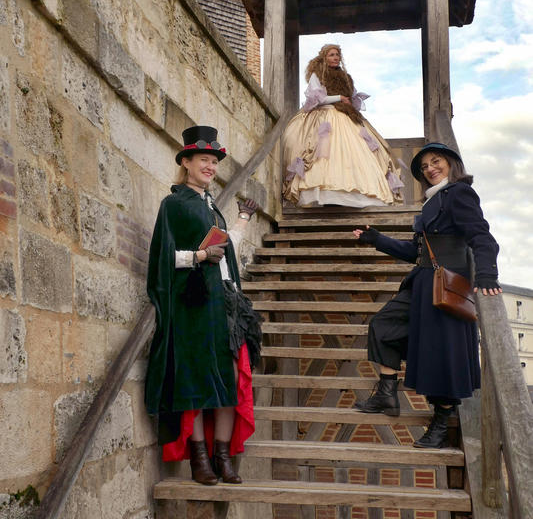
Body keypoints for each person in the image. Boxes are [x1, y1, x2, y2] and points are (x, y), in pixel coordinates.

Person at [352, 142, 501, 448]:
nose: (430, 169)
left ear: (451, 164)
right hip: (422, 282)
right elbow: (415, 252)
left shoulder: (459, 193)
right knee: (383, 325)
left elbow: (482, 237)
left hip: (447, 285)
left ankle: (441, 423)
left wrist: (486, 275)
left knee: (442, 355)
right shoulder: (431, 202)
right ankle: (387, 393)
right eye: (424, 167)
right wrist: (376, 239)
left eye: (436, 162)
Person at [144, 125, 261, 485]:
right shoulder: (175, 204)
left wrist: (240, 220)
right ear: (187, 162)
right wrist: (198, 254)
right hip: (194, 306)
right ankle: (199, 460)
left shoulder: (212, 206)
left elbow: (226, 256)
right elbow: (164, 259)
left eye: (214, 161)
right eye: (204, 160)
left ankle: (222, 456)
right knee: (196, 380)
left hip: (225, 302)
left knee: (230, 379)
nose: (210, 166)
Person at [282, 43, 403, 207]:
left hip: (347, 117)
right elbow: (316, 99)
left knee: (357, 152)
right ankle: (326, 193)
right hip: (326, 115)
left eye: (337, 55)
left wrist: (348, 101)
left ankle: (358, 192)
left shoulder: (346, 77)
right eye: (332, 55)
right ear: (324, 57)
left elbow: (352, 97)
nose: (335, 58)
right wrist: (338, 98)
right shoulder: (317, 75)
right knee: (324, 152)